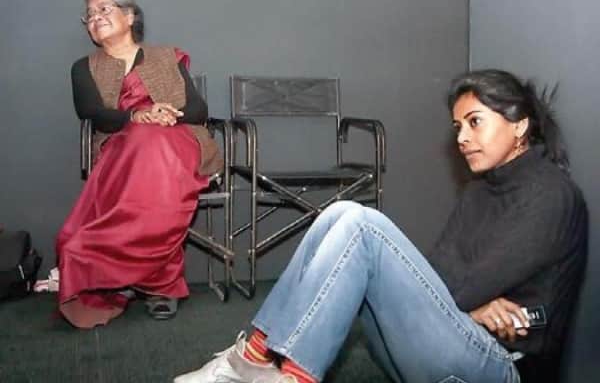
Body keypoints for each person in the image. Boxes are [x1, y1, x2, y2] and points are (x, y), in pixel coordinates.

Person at [174, 70, 588, 383]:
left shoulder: (551, 195)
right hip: (448, 343)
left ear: (519, 125)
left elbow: (457, 288)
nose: (462, 137)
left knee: (362, 225)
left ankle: (289, 377)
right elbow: (443, 278)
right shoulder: (480, 190)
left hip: (500, 368)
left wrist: (463, 304)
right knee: (338, 213)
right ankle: (251, 359)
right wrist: (472, 309)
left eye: (475, 122)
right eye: (458, 127)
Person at [56, 0, 220, 328]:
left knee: (154, 142)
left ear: (130, 16)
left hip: (178, 138)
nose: (95, 17)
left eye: (104, 9)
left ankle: (134, 276)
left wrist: (164, 115)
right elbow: (91, 113)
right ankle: (160, 283)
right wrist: (136, 116)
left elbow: (198, 108)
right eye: (90, 15)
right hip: (120, 145)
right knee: (143, 141)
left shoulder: (167, 57)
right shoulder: (84, 67)